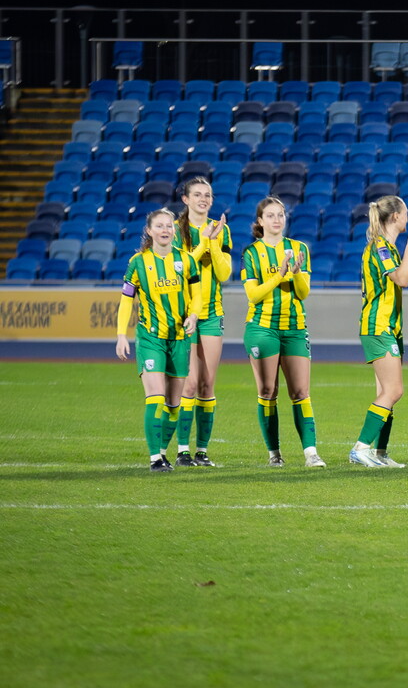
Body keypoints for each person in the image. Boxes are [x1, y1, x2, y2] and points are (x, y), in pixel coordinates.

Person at [115, 208, 201, 472]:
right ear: (149, 231)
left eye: (168, 226)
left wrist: (194, 315)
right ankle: (155, 458)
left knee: (174, 404)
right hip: (150, 337)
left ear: (173, 231)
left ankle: (163, 452)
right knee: (155, 396)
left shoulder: (186, 261)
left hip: (179, 339)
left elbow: (197, 295)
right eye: (159, 226)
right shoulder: (138, 263)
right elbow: (126, 301)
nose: (165, 230)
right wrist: (121, 335)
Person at [240, 196, 324, 468]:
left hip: (295, 328)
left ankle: (311, 453)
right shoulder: (252, 253)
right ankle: (274, 453)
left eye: (281, 215)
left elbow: (303, 292)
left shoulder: (299, 248)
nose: (277, 220)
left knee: (300, 391)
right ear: (260, 221)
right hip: (262, 328)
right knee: (267, 390)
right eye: (271, 215)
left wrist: (297, 273)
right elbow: (253, 295)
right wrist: (279, 275)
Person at [348, 196, 408, 468]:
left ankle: (379, 452)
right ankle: (360, 448)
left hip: (390, 327)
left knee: (385, 391)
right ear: (394, 216)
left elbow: (401, 273)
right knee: (394, 390)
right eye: (405, 212)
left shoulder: (388, 248)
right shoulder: (381, 246)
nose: (407, 217)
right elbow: (402, 280)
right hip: (378, 325)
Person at [172, 177, 231, 467]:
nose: (203, 199)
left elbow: (224, 274)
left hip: (212, 314)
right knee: (190, 384)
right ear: (186, 199)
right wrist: (203, 241)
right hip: (184, 314)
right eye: (197, 195)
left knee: (207, 385)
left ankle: (202, 451)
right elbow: (180, 270)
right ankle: (183, 450)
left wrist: (214, 241)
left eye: (207, 195)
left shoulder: (224, 231)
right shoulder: (175, 231)